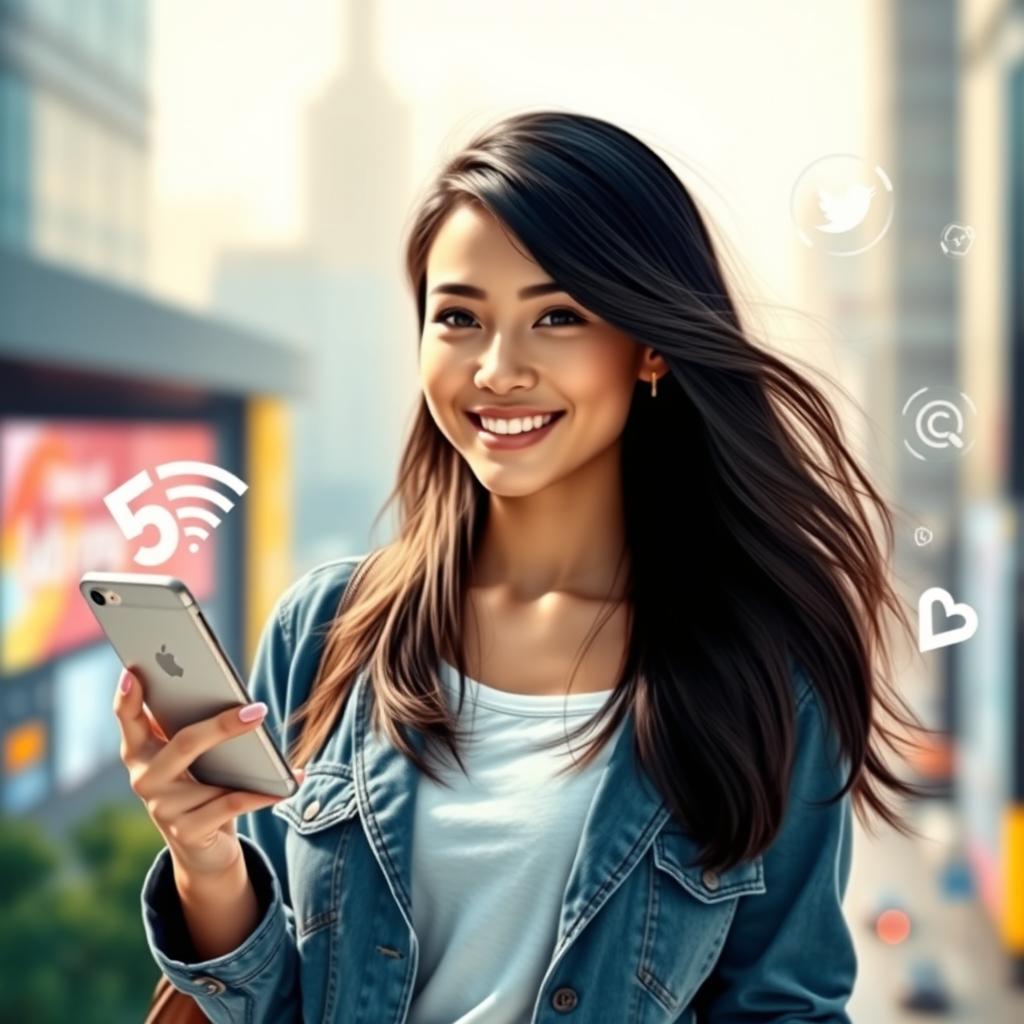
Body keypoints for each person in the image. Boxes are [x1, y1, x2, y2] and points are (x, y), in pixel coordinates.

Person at [118, 109, 932, 1024]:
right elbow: (269, 1009)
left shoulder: (763, 669)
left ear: (652, 345)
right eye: (459, 317)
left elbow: (782, 1007)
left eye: (557, 316)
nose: (498, 369)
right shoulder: (325, 630)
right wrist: (206, 858)